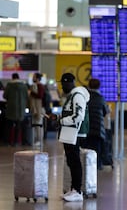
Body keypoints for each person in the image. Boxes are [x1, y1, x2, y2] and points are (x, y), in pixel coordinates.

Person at [52, 73, 90, 202]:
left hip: (76, 133)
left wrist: (61, 121)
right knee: (71, 162)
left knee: (75, 162)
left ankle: (77, 191)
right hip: (69, 133)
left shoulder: (77, 96)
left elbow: (79, 116)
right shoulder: (71, 96)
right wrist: (58, 119)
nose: (62, 86)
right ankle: (73, 189)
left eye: (63, 84)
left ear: (70, 83)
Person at [84, 78, 109, 170]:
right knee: (96, 149)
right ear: (99, 86)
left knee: (86, 148)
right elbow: (105, 112)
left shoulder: (85, 97)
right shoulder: (100, 98)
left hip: (86, 128)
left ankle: (86, 166)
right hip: (97, 128)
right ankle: (97, 166)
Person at [3, 73, 29, 146]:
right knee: (19, 126)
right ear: (18, 77)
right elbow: (27, 96)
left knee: (8, 126)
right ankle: (16, 142)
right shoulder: (24, 86)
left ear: (12, 78)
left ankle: (7, 142)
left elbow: (5, 96)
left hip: (11, 109)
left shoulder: (9, 85)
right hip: (21, 109)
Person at [29, 73, 45, 146]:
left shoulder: (40, 86)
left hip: (38, 108)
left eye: (34, 77)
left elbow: (40, 96)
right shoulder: (34, 86)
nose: (33, 78)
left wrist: (31, 92)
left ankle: (39, 140)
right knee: (35, 125)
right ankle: (36, 140)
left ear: (37, 78)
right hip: (35, 108)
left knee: (38, 125)